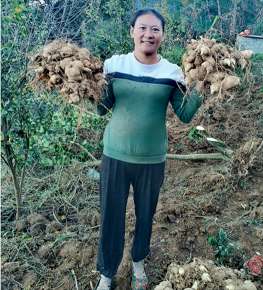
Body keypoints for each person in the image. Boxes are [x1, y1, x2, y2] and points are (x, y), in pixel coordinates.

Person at [95, 8, 202, 290]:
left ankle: (138, 262)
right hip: (115, 155)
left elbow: (185, 114)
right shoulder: (113, 65)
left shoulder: (172, 72)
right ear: (132, 31)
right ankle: (107, 273)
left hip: (152, 159)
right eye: (143, 28)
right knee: (111, 215)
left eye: (155, 29)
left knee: (146, 214)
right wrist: (84, 87)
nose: (148, 34)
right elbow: (100, 108)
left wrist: (204, 83)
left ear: (162, 35)